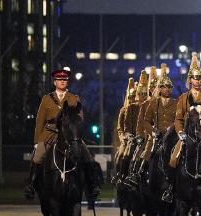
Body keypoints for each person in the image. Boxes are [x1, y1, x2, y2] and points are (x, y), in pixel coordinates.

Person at [25, 69, 100, 200]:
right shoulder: (47, 99)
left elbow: (80, 118)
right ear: (55, 82)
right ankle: (31, 185)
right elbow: (39, 120)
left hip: (69, 134)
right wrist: (37, 141)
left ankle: (92, 185)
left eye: (64, 80)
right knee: (37, 156)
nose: (62, 82)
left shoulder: (73, 98)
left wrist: (76, 132)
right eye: (59, 80)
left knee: (87, 154)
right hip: (49, 132)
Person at [162, 53, 201, 203]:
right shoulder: (183, 97)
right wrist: (181, 132)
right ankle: (170, 187)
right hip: (187, 136)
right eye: (195, 77)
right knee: (173, 158)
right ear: (190, 79)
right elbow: (178, 119)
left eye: (200, 77)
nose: (198, 80)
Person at [111, 78, 136, 184]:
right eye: (130, 97)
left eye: (134, 97)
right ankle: (118, 175)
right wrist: (122, 138)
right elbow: (119, 128)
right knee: (121, 155)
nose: (132, 99)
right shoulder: (123, 110)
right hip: (126, 139)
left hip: (138, 138)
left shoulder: (140, 108)